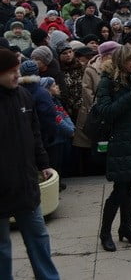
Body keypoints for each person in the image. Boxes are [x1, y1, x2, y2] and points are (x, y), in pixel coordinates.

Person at [0, 49, 61, 280]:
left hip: (26, 183)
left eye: (18, 70)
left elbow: (35, 134)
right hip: (1, 187)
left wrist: (43, 163)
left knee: (39, 238)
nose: (17, 75)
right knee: (2, 247)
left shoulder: (24, 96)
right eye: (11, 72)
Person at [94, 45, 131, 252]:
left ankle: (125, 228)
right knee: (119, 189)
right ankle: (105, 232)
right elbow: (105, 111)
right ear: (121, 62)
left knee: (128, 188)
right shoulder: (107, 82)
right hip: (119, 140)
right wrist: (130, 98)